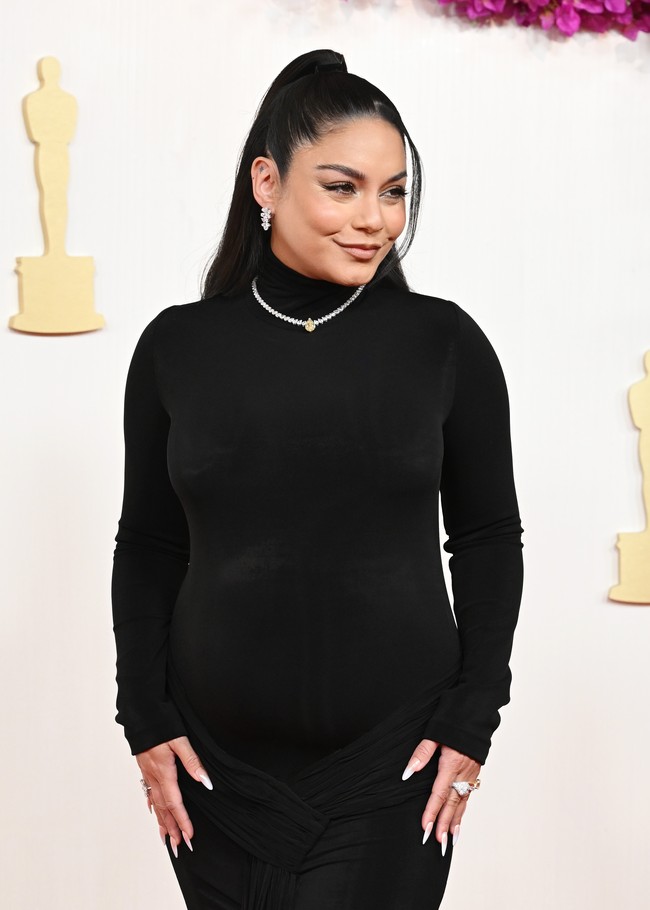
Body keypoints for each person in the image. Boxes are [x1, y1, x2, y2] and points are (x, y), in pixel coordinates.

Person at [111, 48, 524, 910]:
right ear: (266, 181)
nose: (375, 218)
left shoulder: (443, 345)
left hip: (393, 763)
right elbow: (148, 544)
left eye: (394, 191)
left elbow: (486, 539)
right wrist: (144, 718)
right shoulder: (176, 348)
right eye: (342, 187)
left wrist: (471, 716)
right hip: (213, 775)